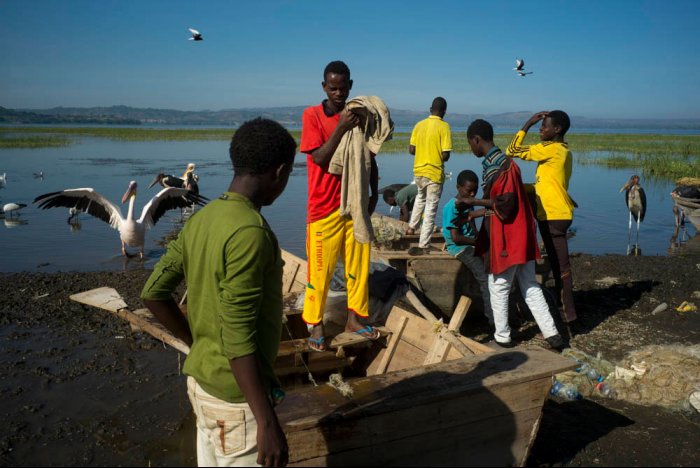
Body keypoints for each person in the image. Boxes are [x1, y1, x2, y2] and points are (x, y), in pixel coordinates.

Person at [141, 118, 295, 467]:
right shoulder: (250, 232)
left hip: (200, 384)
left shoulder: (203, 217)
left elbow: (153, 292)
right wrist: (267, 421)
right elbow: (238, 334)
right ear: (280, 172)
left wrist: (198, 344)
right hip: (236, 402)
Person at [463, 119, 565, 350]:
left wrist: (473, 201)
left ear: (477, 140)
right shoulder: (502, 163)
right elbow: (506, 201)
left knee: (498, 285)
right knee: (529, 284)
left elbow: (505, 203)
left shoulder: (501, 166)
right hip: (522, 233)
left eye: (471, 144)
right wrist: (477, 211)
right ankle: (553, 335)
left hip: (509, 235)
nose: (471, 149)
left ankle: (502, 338)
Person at [300, 60, 381, 352]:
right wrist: (342, 127)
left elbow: (368, 156)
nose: (338, 93)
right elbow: (320, 159)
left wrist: (372, 194)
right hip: (323, 208)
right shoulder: (312, 116)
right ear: (324, 87)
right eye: (332, 88)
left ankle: (354, 319)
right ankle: (316, 323)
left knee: (359, 268)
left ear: (350, 86)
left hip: (354, 205)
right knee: (319, 271)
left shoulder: (358, 116)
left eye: (342, 87)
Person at [506, 111, 579, 333]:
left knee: (562, 269)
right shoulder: (563, 151)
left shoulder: (552, 150)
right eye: (539, 126)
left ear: (557, 130)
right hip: (556, 212)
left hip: (554, 215)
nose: (541, 129)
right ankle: (563, 310)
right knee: (559, 266)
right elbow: (546, 185)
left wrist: (527, 123)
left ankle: (570, 317)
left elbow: (512, 151)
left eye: (544, 126)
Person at [442, 170, 494, 327]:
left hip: (470, 244)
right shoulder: (451, 207)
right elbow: (456, 238)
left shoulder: (467, 203)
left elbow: (474, 221)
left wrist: (491, 210)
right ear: (458, 187)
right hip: (460, 247)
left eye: (475, 190)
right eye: (468, 190)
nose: (472, 193)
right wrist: (477, 243)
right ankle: (493, 321)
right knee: (485, 278)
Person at [406, 97, 452, 255]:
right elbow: (445, 155)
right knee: (431, 208)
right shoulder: (444, 126)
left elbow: (412, 150)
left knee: (420, 198)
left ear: (430, 109)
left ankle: (411, 228)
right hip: (434, 173)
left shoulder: (419, 125)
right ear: (444, 112)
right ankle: (424, 244)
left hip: (418, 171)